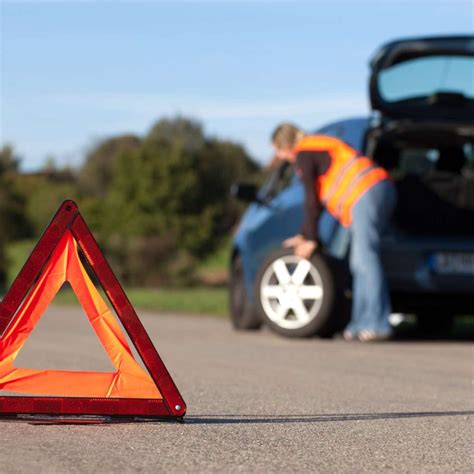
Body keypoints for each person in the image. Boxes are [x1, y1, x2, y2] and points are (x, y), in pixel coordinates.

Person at [271, 123, 397, 341]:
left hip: (365, 190)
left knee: (365, 258)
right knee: (360, 260)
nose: (280, 156)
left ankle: (377, 324)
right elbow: (317, 202)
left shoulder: (304, 152)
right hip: (376, 189)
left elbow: (311, 199)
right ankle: (359, 325)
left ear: (284, 145)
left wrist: (310, 238)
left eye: (278, 151)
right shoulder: (317, 146)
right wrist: (305, 234)